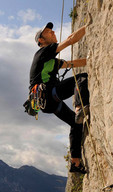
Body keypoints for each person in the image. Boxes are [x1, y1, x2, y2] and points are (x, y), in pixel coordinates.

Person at [29, 22, 90, 174]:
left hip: (47, 103)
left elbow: (73, 63)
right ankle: (79, 107)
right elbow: (70, 40)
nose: (53, 32)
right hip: (49, 94)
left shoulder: (49, 60)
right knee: (80, 78)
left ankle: (75, 162)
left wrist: (93, 60)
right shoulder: (43, 52)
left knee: (76, 123)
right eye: (48, 32)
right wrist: (89, 25)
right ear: (40, 41)